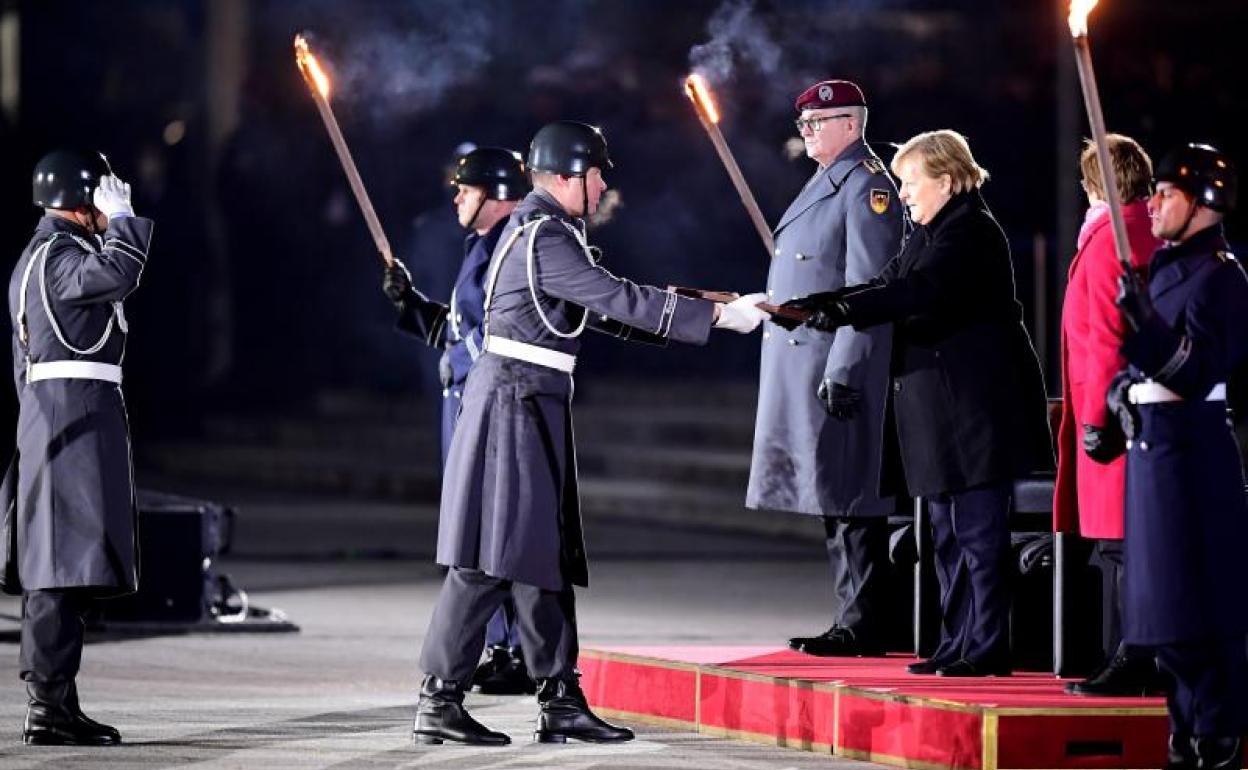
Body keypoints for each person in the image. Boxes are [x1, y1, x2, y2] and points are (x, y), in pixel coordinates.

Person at [408, 120, 766, 745]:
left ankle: (560, 699)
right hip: (514, 401)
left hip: (530, 399)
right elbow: (614, 297)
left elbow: (602, 311)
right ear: (569, 175)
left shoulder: (547, 231)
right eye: (597, 175)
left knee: (538, 553)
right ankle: (440, 698)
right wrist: (715, 317)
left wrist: (709, 309)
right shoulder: (544, 235)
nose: (602, 187)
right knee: (492, 558)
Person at [779, 130, 1052, 677]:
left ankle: (987, 646)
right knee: (946, 537)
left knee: (978, 535)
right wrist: (820, 304)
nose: (901, 193)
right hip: (939, 415)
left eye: (909, 182)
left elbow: (918, 292)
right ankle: (956, 642)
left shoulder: (971, 233)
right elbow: (884, 282)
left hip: (974, 413)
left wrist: (843, 312)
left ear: (946, 181)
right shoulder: (929, 233)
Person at [1, 149, 152, 744]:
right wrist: (126, 224)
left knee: (69, 563)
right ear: (82, 198)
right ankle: (48, 708)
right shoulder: (57, 256)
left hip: (66, 416)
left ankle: (58, 702)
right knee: (58, 567)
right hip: (70, 419)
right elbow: (118, 274)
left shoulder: (47, 254)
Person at [749, 79, 903, 658]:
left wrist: (846, 367)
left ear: (851, 125)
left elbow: (868, 287)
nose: (807, 131)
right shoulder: (827, 181)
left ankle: (863, 623)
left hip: (835, 364)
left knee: (850, 496)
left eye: (818, 122)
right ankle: (851, 616)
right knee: (833, 497)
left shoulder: (866, 187)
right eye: (804, 124)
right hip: (804, 360)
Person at [1110, 143, 1248, 770]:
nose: (1153, 204)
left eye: (1167, 194)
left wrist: (1145, 326)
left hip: (1192, 455)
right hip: (1152, 451)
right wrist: (1116, 398)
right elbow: (1139, 366)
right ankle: (1182, 730)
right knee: (1162, 611)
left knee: (1198, 606)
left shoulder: (1222, 277)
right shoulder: (1165, 269)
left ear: (1203, 204)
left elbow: (1198, 372)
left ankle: (1215, 734)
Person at [382, 146, 535, 695]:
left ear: (496, 195)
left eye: (465, 189)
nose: (456, 198)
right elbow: (460, 325)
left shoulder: (513, 248)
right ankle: (502, 647)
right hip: (465, 402)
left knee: (495, 528)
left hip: (493, 403)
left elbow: (501, 329)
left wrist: (461, 357)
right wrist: (412, 304)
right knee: (473, 528)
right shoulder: (481, 245)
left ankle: (518, 650)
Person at [1053, 135, 1164, 697]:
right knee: (1134, 543)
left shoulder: (1108, 242)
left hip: (1111, 414)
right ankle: (1129, 653)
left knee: (1121, 544)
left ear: (1097, 184)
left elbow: (1104, 340)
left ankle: (1130, 655)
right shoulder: (1149, 231)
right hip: (1140, 410)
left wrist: (1096, 415)